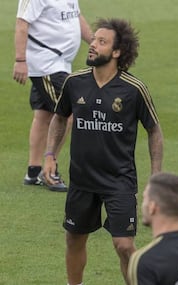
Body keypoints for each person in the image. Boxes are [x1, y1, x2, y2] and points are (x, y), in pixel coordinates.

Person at [43, 18, 163, 285]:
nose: (92, 45)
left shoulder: (134, 89)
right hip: (82, 180)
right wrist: (50, 155)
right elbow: (59, 118)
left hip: (119, 181)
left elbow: (154, 129)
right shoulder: (75, 83)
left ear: (117, 52)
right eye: (94, 39)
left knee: (123, 245)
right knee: (74, 238)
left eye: (101, 41)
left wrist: (156, 177)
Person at [13, 0, 92, 191]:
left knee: (43, 115)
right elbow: (22, 23)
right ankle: (50, 169)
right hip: (46, 64)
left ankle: (33, 172)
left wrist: (95, 41)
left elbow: (75, 15)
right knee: (69, 113)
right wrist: (20, 60)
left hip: (60, 63)